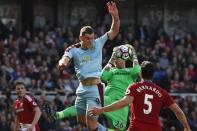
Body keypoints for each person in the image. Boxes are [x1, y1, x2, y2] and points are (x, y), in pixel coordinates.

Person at [44, 45, 140, 131]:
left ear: (124, 58)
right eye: (114, 56)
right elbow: (103, 76)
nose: (115, 59)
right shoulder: (112, 71)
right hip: (106, 99)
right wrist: (111, 59)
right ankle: (57, 115)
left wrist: (134, 54)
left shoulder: (130, 72)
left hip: (121, 104)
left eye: (117, 57)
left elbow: (137, 70)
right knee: (85, 104)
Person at [57, 1, 120, 130]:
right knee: (80, 120)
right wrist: (62, 64)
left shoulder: (98, 43)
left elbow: (114, 31)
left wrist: (115, 16)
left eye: (92, 38)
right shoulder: (73, 49)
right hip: (82, 89)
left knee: (91, 124)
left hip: (95, 88)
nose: (90, 41)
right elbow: (64, 58)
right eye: (87, 38)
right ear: (81, 37)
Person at [89, 61, 191, 131]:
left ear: (140, 74)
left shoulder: (134, 87)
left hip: (136, 128)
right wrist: (187, 128)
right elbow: (178, 112)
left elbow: (123, 103)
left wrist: (101, 110)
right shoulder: (162, 92)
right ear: (153, 75)